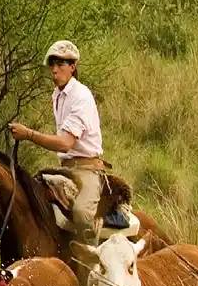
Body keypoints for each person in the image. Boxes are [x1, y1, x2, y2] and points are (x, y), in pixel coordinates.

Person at [9, 40, 120, 253]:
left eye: (60, 64)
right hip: (66, 168)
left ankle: (92, 265)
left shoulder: (81, 96)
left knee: (81, 213)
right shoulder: (57, 95)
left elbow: (65, 142)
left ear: (73, 66)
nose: (54, 69)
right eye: (52, 64)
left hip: (88, 169)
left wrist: (28, 134)